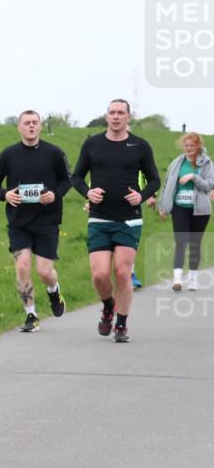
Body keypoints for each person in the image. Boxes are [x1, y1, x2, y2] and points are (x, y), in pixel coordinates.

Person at [71, 99, 160, 342]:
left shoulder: (140, 146)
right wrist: (87, 193)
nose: (116, 116)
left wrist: (140, 196)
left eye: (121, 112)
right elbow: (76, 177)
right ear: (107, 116)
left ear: (129, 117)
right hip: (99, 218)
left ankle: (121, 324)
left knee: (122, 273)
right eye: (112, 112)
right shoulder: (93, 144)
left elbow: (154, 180)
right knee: (100, 275)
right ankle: (108, 305)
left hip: (129, 220)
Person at [0, 110, 71, 332]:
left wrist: (55, 194)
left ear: (41, 126)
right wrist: (5, 194)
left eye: (35, 122)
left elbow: (67, 181)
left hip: (47, 221)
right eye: (26, 123)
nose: (31, 126)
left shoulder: (54, 153)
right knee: (22, 266)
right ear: (19, 127)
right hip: (19, 222)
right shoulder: (8, 154)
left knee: (44, 272)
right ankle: (31, 315)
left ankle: (54, 291)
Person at [157, 132, 213, 291]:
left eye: (192, 146)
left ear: (198, 146)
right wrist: (163, 206)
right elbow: (167, 185)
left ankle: (193, 279)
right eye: (186, 145)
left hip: (200, 210)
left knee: (195, 243)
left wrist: (193, 177)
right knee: (181, 242)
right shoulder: (177, 163)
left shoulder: (206, 163)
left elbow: (209, 185)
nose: (189, 149)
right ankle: (177, 280)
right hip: (179, 207)